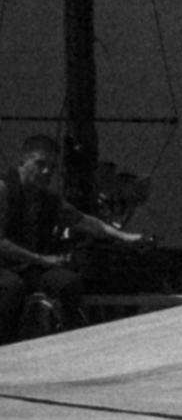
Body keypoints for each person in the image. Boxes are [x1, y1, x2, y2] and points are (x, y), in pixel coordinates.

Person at [0, 135, 146, 341]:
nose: (46, 172)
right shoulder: (3, 191)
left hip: (28, 268)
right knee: (11, 288)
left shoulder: (49, 200)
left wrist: (124, 237)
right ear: (22, 163)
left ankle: (71, 342)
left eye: (51, 167)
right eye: (40, 164)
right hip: (5, 269)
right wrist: (41, 260)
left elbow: (85, 222)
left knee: (67, 283)